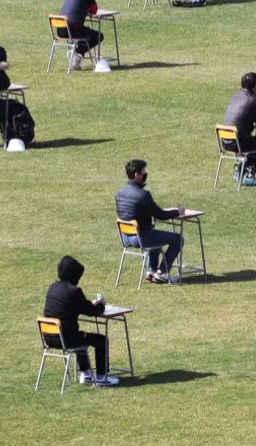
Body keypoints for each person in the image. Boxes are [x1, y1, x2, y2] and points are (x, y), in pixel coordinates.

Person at [42, 255, 118, 387]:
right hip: (66, 339)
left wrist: (88, 304)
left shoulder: (52, 287)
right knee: (101, 340)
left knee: (78, 335)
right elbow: (92, 312)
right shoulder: (74, 291)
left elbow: (73, 306)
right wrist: (101, 304)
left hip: (49, 337)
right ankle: (101, 377)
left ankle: (86, 373)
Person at [114, 159, 183, 284]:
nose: (145, 174)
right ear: (137, 174)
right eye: (143, 171)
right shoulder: (143, 195)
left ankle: (151, 270)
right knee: (178, 239)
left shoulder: (119, 193)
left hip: (125, 237)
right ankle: (162, 272)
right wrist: (177, 212)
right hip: (140, 237)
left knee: (154, 234)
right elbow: (160, 215)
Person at [59, 0, 105, 69]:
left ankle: (76, 55)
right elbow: (94, 10)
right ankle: (77, 52)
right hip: (72, 29)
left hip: (60, 28)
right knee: (98, 36)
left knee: (87, 32)